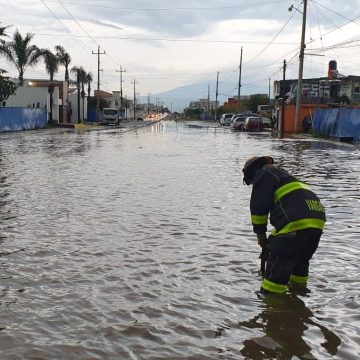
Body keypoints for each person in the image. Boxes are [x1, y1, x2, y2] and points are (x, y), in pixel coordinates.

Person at [242, 156, 326, 294]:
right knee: (300, 264)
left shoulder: (263, 174)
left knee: (275, 279)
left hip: (295, 223)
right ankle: (299, 296)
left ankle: (272, 310)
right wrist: (273, 240)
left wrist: (261, 236)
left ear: (251, 173)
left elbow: (258, 210)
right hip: (317, 223)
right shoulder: (285, 177)